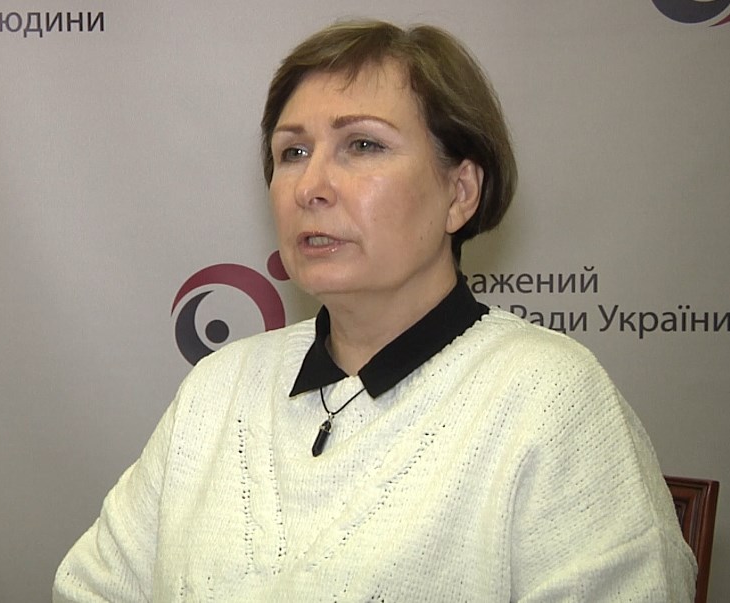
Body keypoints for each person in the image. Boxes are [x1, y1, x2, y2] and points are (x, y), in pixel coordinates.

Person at [53, 19, 696, 602]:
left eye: (362, 145)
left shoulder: (550, 399)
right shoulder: (217, 388)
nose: (311, 187)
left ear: (460, 192)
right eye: (292, 152)